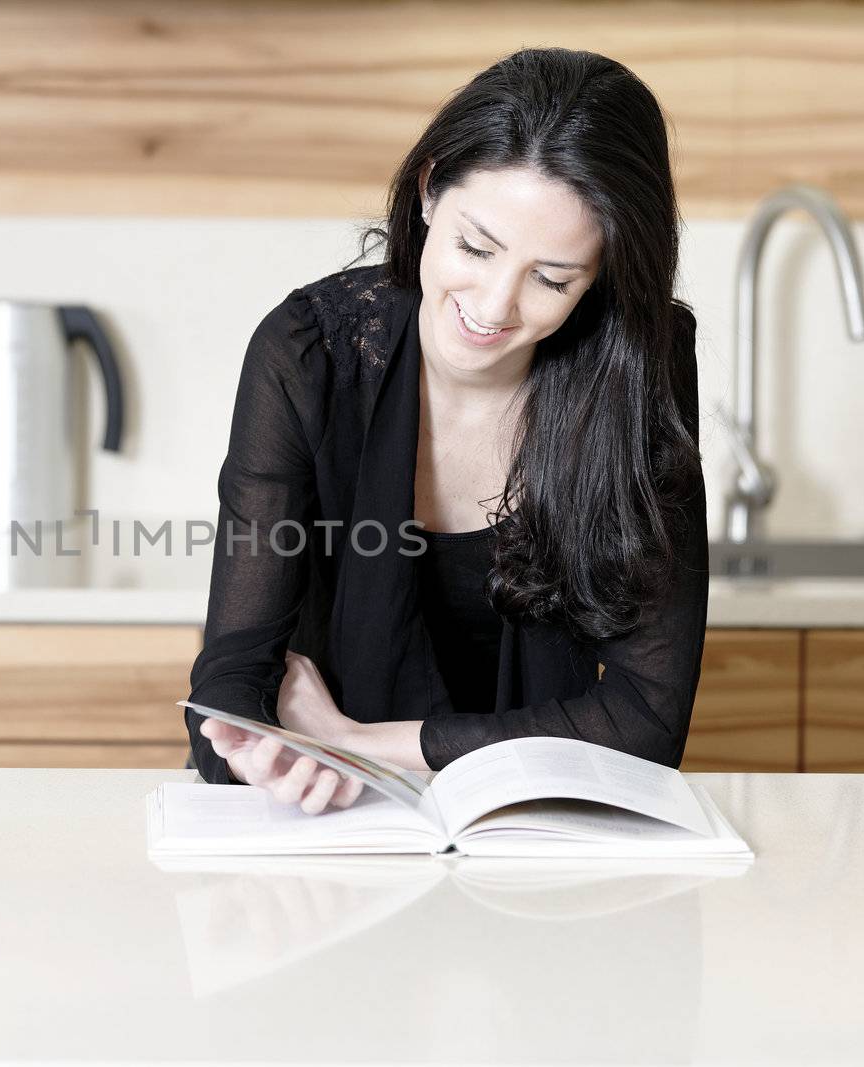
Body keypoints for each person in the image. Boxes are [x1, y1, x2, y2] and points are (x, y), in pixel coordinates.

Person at [184, 47, 708, 814]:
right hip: (341, 821)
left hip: (541, 845)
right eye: (476, 246)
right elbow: (231, 675)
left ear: (602, 277)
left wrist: (359, 740)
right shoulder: (310, 354)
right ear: (431, 189)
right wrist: (261, 752)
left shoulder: (635, 369)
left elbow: (647, 721)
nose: (495, 305)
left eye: (553, 278)